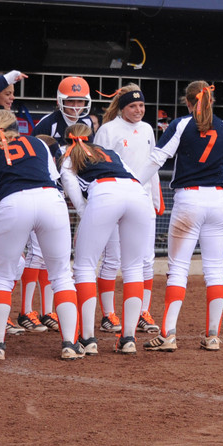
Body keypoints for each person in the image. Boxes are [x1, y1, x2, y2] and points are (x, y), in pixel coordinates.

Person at [134, 81, 223, 352]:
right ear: (212, 100)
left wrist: (132, 185)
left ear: (188, 101)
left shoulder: (182, 124)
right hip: (218, 199)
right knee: (215, 271)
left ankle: (168, 334)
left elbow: (158, 158)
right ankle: (213, 335)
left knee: (178, 270)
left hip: (189, 200)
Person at [0, 110, 79, 360]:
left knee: (1, 277)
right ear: (16, 126)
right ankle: (70, 343)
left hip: (13, 202)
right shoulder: (37, 142)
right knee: (62, 275)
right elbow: (54, 178)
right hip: (50, 199)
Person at [60, 123, 155, 354]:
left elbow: (74, 194)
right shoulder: (109, 153)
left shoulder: (67, 155)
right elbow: (133, 176)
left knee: (84, 267)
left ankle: (88, 339)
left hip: (104, 194)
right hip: (137, 193)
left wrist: (89, 218)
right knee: (133, 267)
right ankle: (128, 339)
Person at [91, 84, 162, 335]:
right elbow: (96, 164)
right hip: (113, 197)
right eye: (133, 106)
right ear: (122, 108)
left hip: (142, 200)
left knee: (146, 260)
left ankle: (143, 311)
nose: (138, 110)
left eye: (141, 105)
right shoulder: (108, 130)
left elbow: (152, 164)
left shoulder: (146, 129)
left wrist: (156, 198)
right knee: (112, 258)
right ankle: (108, 314)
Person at [33, 75, 94, 143]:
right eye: (70, 101)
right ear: (61, 101)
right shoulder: (48, 123)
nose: (75, 106)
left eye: (80, 101)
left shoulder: (87, 121)